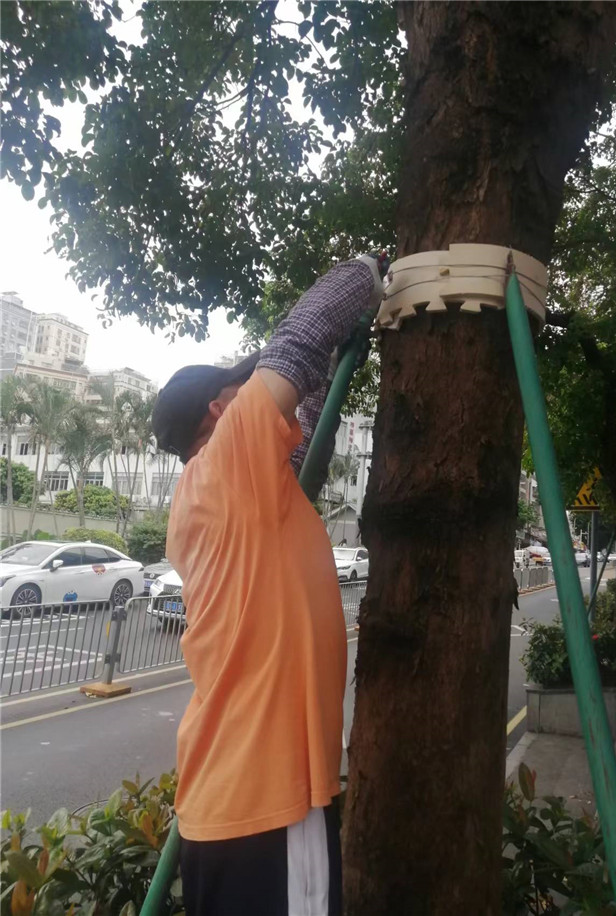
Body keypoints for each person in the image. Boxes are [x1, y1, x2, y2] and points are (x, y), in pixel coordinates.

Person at [152, 253, 387, 916]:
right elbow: (299, 341)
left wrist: (339, 356)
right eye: (244, 388)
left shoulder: (224, 491)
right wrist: (372, 271)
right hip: (269, 803)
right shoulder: (228, 461)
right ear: (220, 408)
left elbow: (304, 426)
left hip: (231, 803)